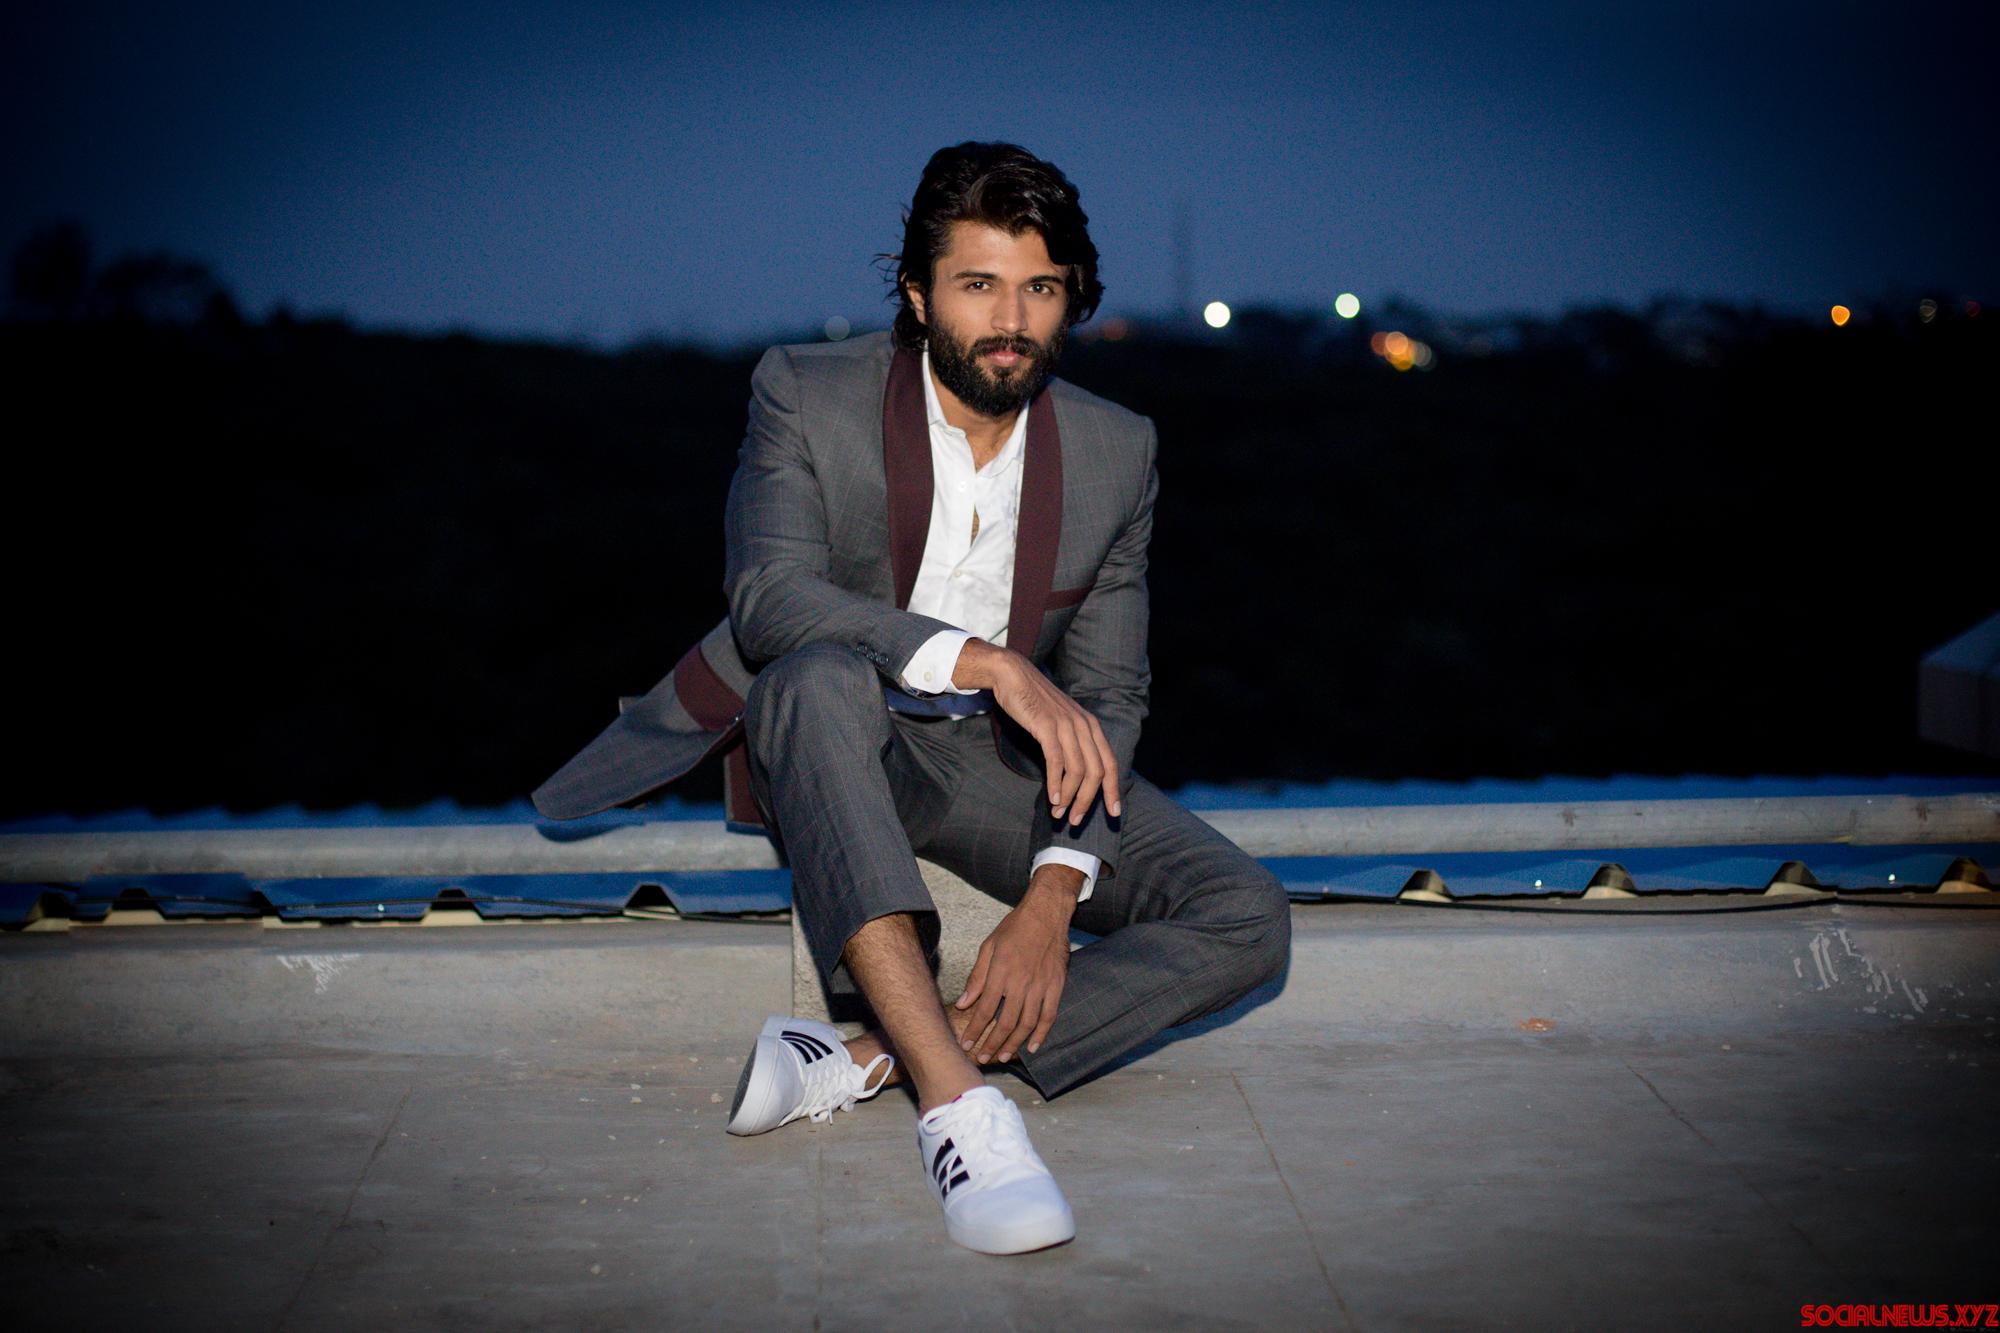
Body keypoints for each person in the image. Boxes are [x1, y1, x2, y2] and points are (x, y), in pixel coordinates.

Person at [532, 142, 1290, 1255]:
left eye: (1040, 289)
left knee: (1248, 914)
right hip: (832, 736)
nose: (1010, 321)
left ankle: (870, 1054)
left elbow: (1110, 689)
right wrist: (986, 661)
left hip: (992, 767)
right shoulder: (806, 392)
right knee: (817, 675)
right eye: (978, 284)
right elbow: (769, 599)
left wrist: (1051, 897)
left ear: (1072, 298)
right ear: (918, 293)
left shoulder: (1116, 449)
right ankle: (957, 1110)